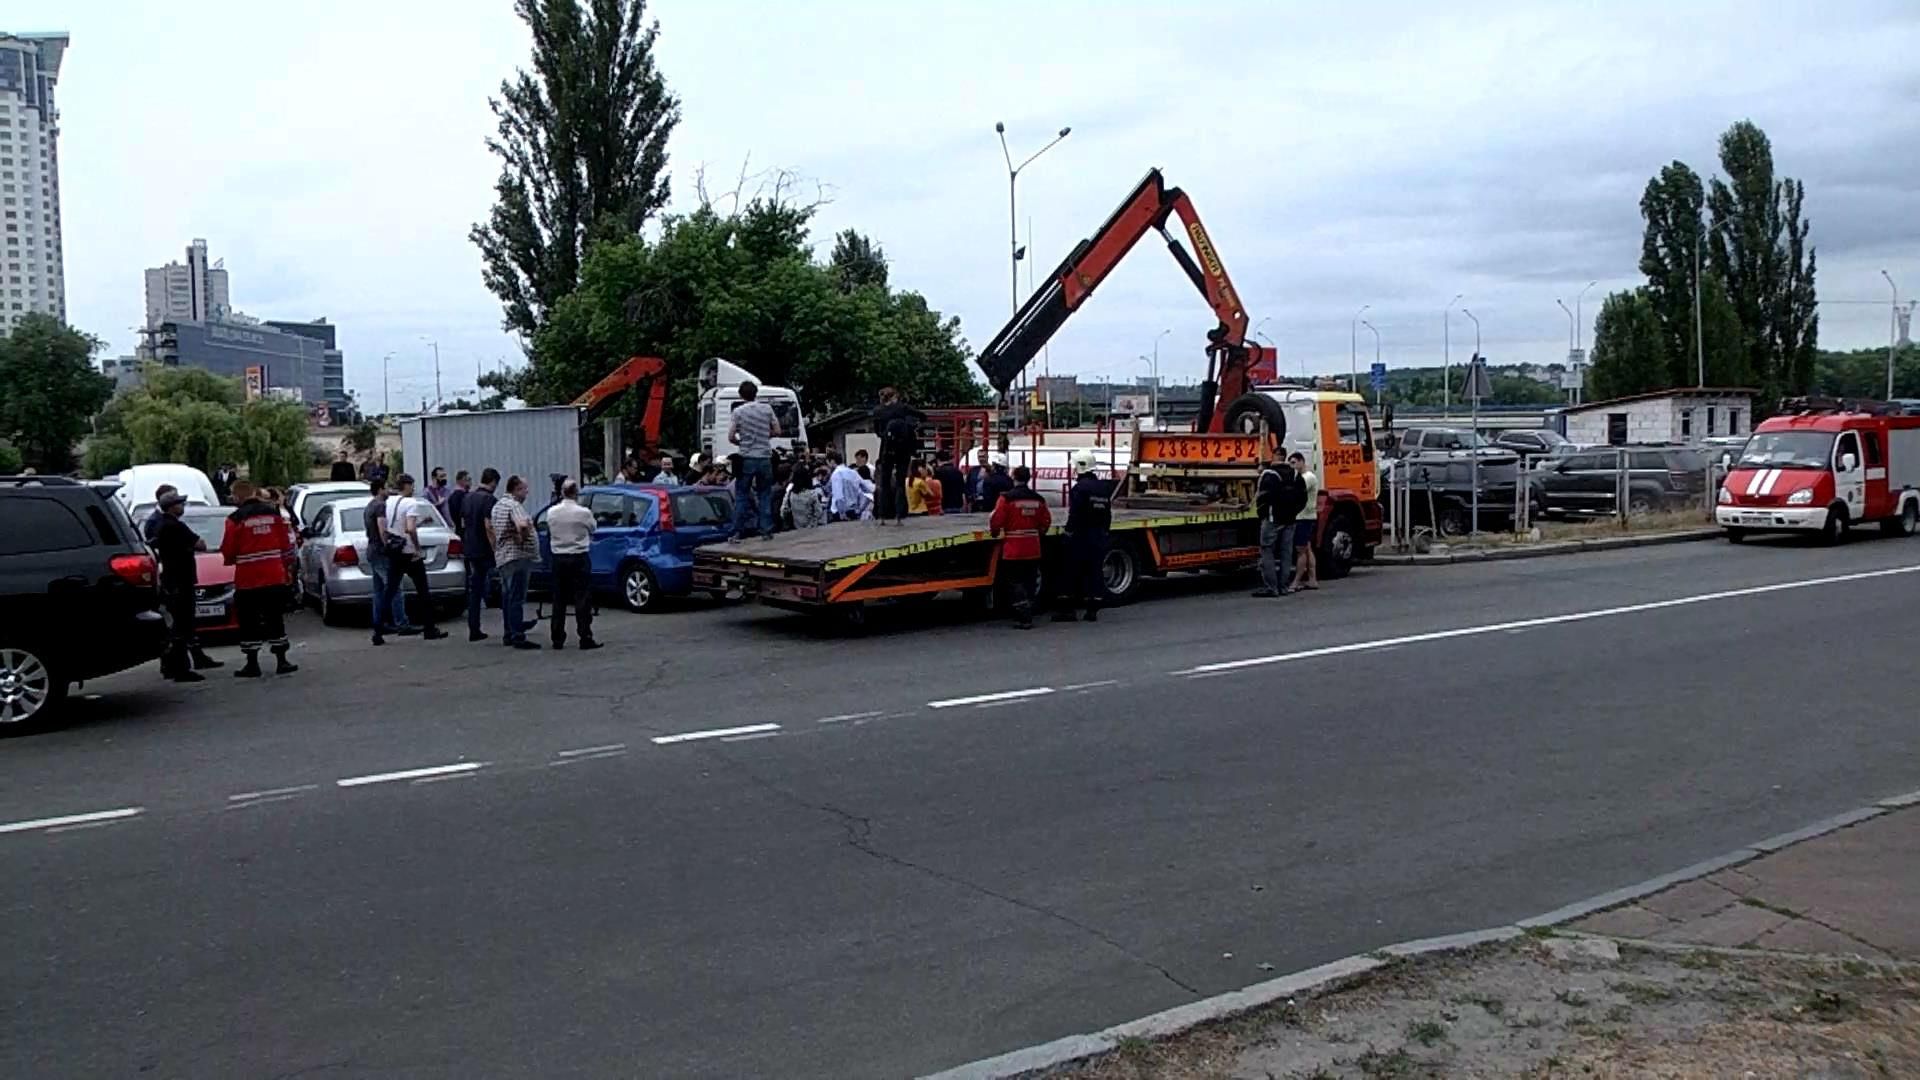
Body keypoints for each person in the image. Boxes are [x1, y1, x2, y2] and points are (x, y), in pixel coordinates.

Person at [219, 481, 298, 677]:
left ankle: (252, 664)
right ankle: (282, 660)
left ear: (238, 496)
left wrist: (233, 559)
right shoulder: (273, 514)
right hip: (274, 575)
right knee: (275, 617)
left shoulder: (235, 519)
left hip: (248, 578)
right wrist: (287, 567)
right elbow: (286, 543)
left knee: (249, 621)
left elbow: (228, 549)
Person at [150, 491, 223, 681]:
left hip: (171, 580)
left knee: (178, 625)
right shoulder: (175, 526)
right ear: (172, 506)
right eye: (180, 503)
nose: (182, 506)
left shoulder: (161, 525)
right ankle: (181, 669)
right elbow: (200, 544)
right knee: (183, 625)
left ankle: (172, 665)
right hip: (181, 580)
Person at [372, 473, 446, 645]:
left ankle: (378, 631)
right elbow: (410, 528)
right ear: (406, 486)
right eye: (412, 485)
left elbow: (393, 526)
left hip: (395, 551)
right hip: (409, 552)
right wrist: (417, 548)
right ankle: (430, 628)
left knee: (389, 591)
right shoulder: (411, 503)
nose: (413, 488)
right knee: (423, 591)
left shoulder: (389, 502)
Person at [988, 466, 1052, 630]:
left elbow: (997, 520)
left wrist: (994, 533)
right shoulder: (1038, 499)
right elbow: (1046, 521)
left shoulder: (1006, 499)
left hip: (1013, 548)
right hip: (1033, 547)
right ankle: (1029, 609)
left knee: (1015, 581)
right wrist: (1039, 532)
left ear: (1014, 478)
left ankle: (1023, 616)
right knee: (1030, 581)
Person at [545, 479, 600, 650]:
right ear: (576, 493)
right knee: (582, 597)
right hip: (578, 555)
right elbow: (593, 528)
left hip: (558, 557)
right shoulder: (583, 512)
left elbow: (549, 529)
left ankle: (557, 637)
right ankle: (585, 636)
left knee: (559, 598)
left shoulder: (552, 512)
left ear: (562, 493)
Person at [1057, 450, 1112, 622]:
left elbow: (1075, 514)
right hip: (1098, 536)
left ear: (1081, 467)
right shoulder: (1103, 488)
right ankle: (1092, 610)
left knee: (1071, 571)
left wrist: (1068, 534)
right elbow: (1107, 514)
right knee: (1094, 571)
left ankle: (1068, 610)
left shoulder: (1079, 489)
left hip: (1081, 536)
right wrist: (1104, 532)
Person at [490, 474, 540, 650]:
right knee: (517, 597)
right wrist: (523, 538)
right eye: (525, 489)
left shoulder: (498, 506)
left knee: (508, 596)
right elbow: (522, 525)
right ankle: (518, 635)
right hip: (517, 557)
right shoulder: (514, 505)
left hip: (503, 557)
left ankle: (509, 632)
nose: (527, 492)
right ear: (517, 489)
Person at [727, 379, 780, 540]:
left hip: (746, 457)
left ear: (741, 395)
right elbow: (777, 430)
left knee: (742, 495)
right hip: (765, 457)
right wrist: (765, 436)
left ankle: (737, 532)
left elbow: (731, 436)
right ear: (756, 393)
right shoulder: (767, 409)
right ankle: (766, 530)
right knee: (765, 494)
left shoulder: (738, 412)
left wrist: (741, 442)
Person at [1253, 452, 1306, 598]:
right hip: (1290, 520)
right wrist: (1294, 512)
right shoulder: (1295, 474)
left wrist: (1263, 514)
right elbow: (1303, 498)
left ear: (1274, 457)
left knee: (1267, 550)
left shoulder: (1269, 474)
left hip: (1272, 519)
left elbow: (1261, 497)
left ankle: (1271, 587)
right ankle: (1283, 586)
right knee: (1286, 553)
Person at [362, 478, 409, 637]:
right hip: (380, 552)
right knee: (394, 586)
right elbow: (382, 528)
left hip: (372, 550)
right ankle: (401, 622)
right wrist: (388, 545)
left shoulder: (369, 506)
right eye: (387, 487)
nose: (389, 491)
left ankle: (379, 623)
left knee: (378, 590)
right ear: (380, 489)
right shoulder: (380, 506)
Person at [872, 387, 926, 524]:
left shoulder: (877, 411)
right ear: (894, 396)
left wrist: (886, 436)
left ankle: (882, 515)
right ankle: (899, 515)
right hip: (903, 448)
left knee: (884, 482)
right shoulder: (902, 408)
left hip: (886, 448)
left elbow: (877, 432)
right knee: (901, 482)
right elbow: (922, 415)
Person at [462, 468, 500, 641]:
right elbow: (489, 525)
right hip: (485, 549)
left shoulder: (468, 497)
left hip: (471, 547)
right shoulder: (489, 499)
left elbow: (463, 522)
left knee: (475, 590)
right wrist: (495, 547)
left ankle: (474, 628)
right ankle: (513, 624)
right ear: (493, 482)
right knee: (501, 586)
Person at [1289, 452, 1322, 592]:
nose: (1292, 466)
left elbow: (1296, 492)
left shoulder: (1307, 478)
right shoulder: (1304, 477)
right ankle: (1312, 579)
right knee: (1307, 548)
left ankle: (1296, 581)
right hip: (1306, 516)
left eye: (1294, 462)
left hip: (1304, 517)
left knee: (1300, 550)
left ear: (1301, 461)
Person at [827, 451, 866, 522]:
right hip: (853, 508)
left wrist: (842, 512)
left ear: (832, 461)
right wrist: (860, 508)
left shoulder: (836, 474)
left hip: (840, 511)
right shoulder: (853, 472)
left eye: (828, 462)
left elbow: (838, 495)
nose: (828, 465)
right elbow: (863, 490)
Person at [447, 470, 473, 541]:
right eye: (467, 480)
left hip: (459, 529)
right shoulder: (461, 496)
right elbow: (461, 514)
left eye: (470, 480)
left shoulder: (453, 496)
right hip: (464, 530)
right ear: (460, 481)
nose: (470, 482)